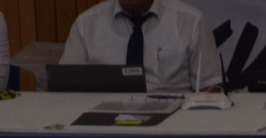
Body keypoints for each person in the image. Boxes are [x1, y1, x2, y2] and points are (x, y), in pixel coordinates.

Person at [59, 0, 222, 92]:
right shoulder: (86, 24)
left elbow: (210, 88)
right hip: (103, 126)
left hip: (172, 125)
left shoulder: (191, 21)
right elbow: (66, 89)